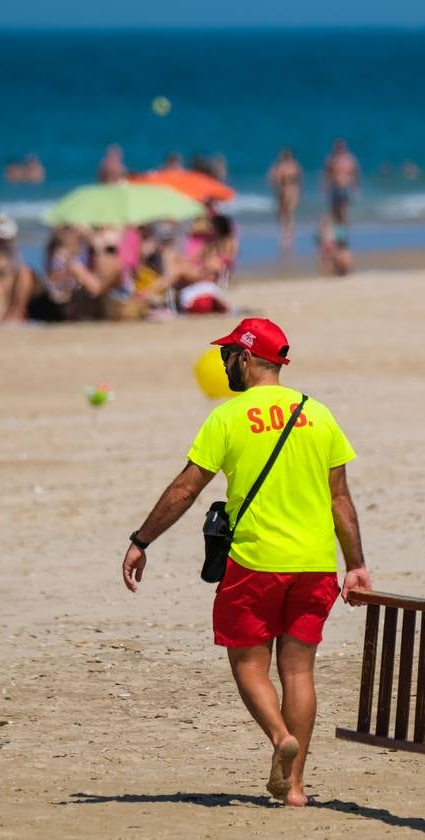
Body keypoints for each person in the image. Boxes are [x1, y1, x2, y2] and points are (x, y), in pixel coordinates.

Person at [121, 318, 370, 806]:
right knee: (299, 672)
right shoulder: (318, 414)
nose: (223, 363)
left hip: (256, 563)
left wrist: (141, 540)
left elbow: (184, 490)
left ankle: (280, 737)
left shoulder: (228, 417)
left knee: (248, 664)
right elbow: (340, 499)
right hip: (315, 564)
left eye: (227, 354)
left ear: (248, 357)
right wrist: (355, 564)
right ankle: (295, 788)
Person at [267, 147, 303, 253]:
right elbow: (271, 178)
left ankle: (289, 238)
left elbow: (299, 179)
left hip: (291, 190)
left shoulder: (294, 166)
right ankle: (285, 236)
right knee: (282, 214)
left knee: (289, 213)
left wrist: (299, 191)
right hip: (282, 191)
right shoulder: (278, 166)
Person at [323, 138, 359, 225]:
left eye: (341, 147)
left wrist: (356, 187)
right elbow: (326, 174)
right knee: (334, 212)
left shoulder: (350, 159)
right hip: (334, 187)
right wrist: (325, 187)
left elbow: (355, 174)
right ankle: (337, 233)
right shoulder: (331, 159)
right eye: (338, 147)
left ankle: (342, 235)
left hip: (345, 187)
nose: (339, 149)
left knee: (343, 211)